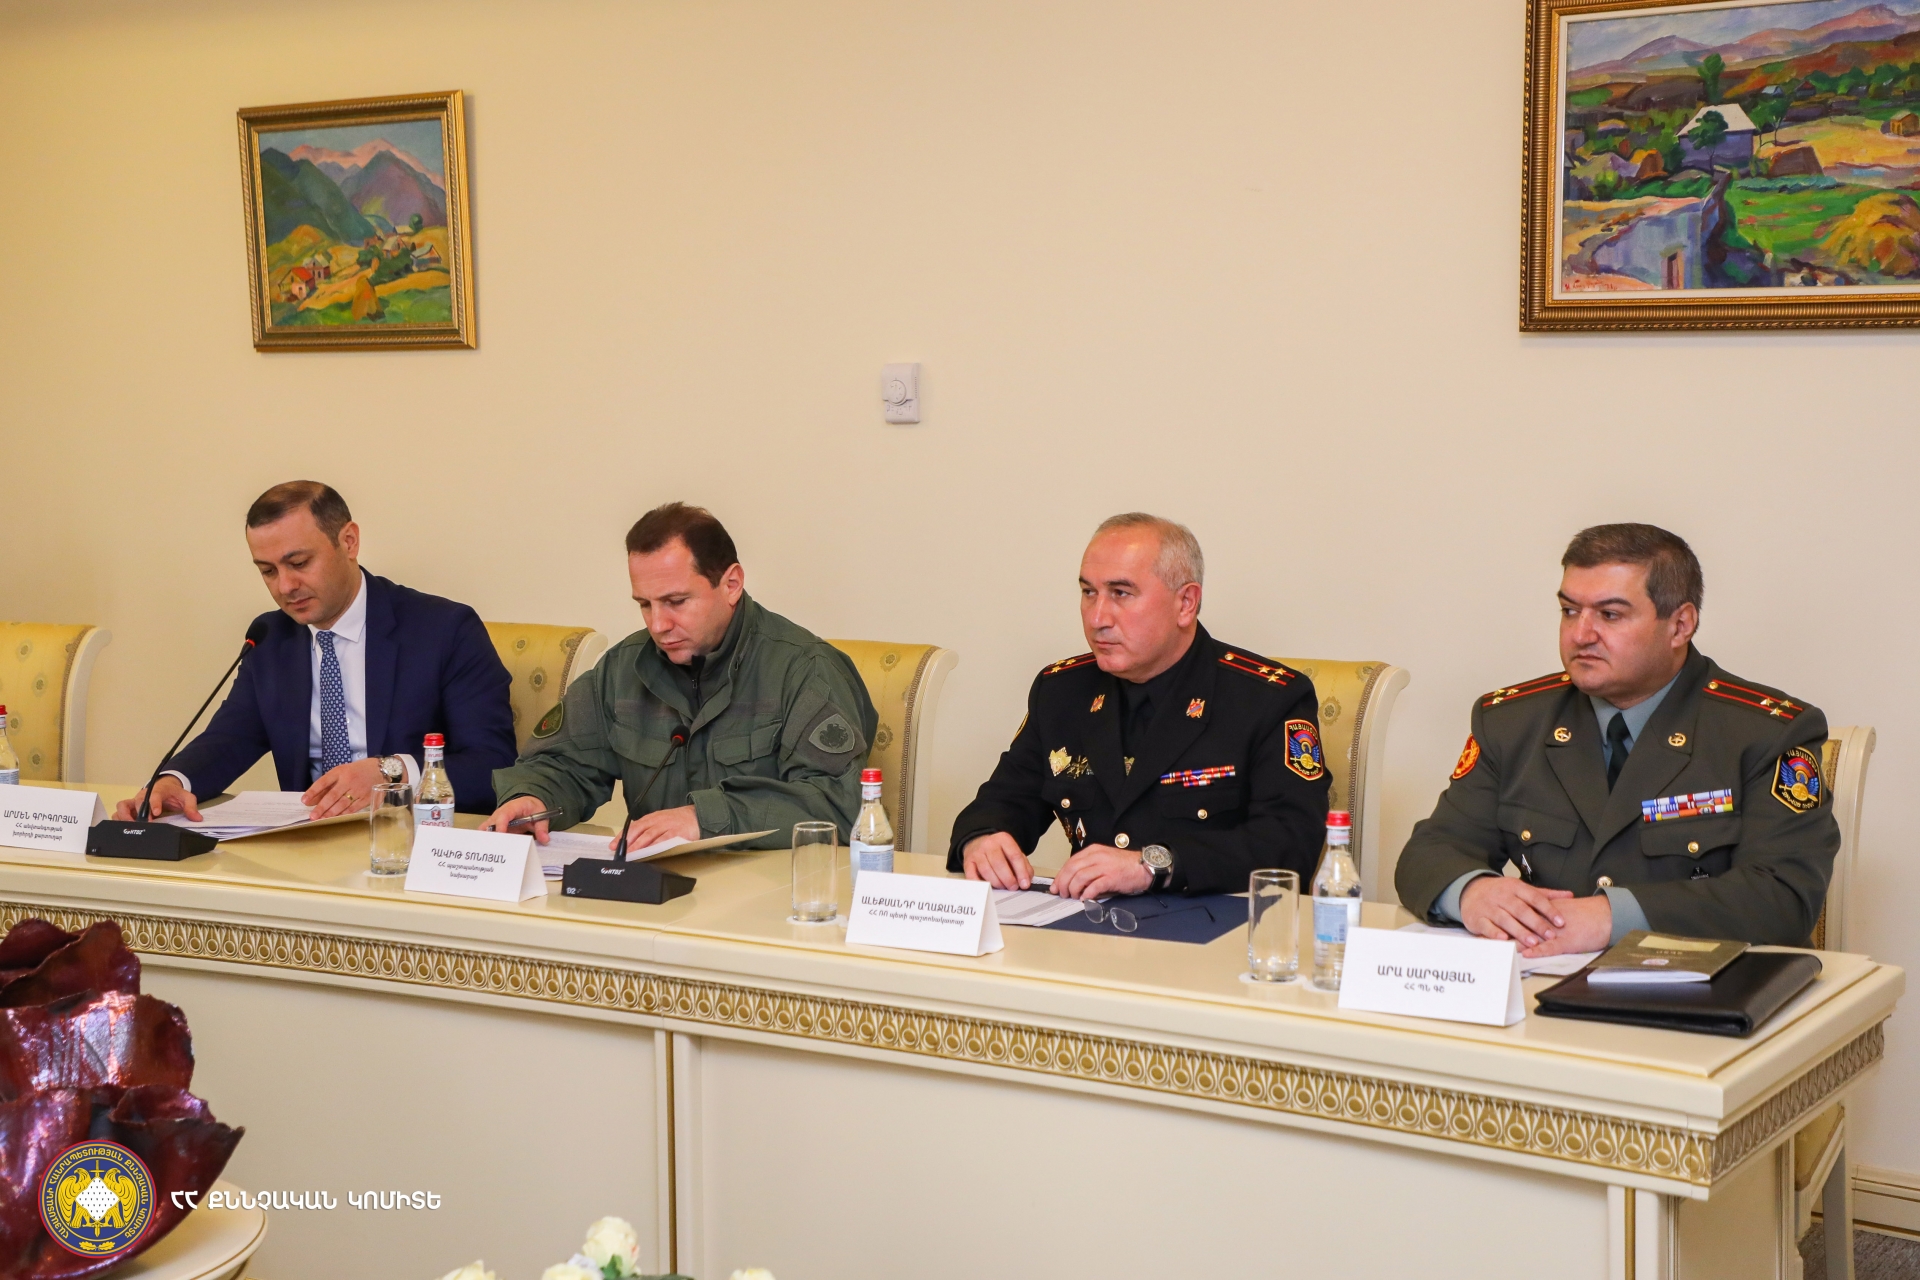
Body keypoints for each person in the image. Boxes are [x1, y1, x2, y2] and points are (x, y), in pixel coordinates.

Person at [1396, 523, 1839, 953]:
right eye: (1570, 611)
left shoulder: (1766, 732)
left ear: (1680, 625)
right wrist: (1472, 891)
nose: (1581, 634)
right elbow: (1431, 851)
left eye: (1610, 615)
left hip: (1702, 988)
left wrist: (1610, 918)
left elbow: (1783, 897)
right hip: (1540, 983)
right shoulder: (1512, 722)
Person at [949, 513, 1330, 899]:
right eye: (1088, 592)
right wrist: (982, 838)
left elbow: (1290, 844)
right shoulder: (1062, 690)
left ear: (1186, 603)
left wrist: (1155, 866)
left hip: (1210, 927)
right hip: (1083, 924)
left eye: (1121, 593)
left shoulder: (1267, 699)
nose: (1097, 617)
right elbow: (1004, 800)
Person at [484, 503, 877, 852]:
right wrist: (532, 797)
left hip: (771, 891)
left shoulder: (805, 669)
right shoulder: (623, 668)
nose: (658, 624)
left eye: (675, 602)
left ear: (731, 584)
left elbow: (838, 804)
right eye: (645, 604)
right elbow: (563, 762)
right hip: (656, 888)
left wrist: (703, 818)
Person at [114, 481, 517, 822]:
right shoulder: (271, 638)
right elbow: (229, 739)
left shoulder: (443, 629)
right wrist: (174, 781)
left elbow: (494, 765)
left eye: (299, 563)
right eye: (268, 571)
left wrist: (391, 774)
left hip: (408, 840)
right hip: (307, 841)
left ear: (349, 541)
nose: (285, 586)